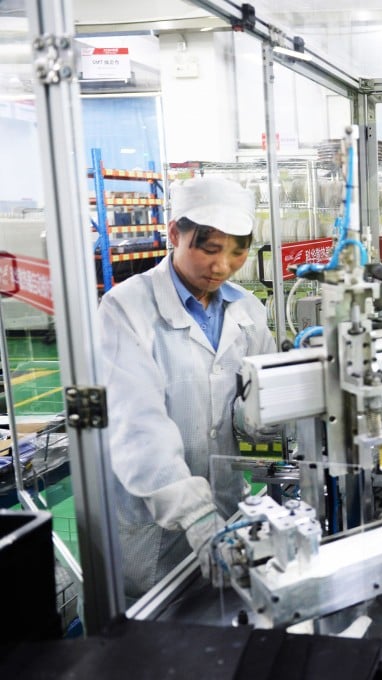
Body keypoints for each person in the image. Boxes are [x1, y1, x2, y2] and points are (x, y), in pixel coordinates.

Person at [99, 175, 275, 598]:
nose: (221, 267)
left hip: (230, 510)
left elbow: (267, 395)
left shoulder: (247, 309)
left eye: (238, 253)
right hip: (153, 526)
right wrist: (197, 516)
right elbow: (137, 428)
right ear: (175, 233)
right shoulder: (125, 310)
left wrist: (270, 421)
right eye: (210, 250)